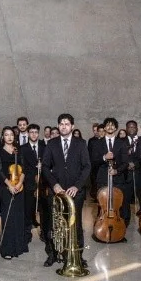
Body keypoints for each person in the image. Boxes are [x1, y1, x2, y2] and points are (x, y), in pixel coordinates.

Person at [42, 113, 91, 267]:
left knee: (75, 225)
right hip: (57, 192)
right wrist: (54, 184)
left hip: (75, 192)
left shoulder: (81, 143)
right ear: (58, 126)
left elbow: (87, 167)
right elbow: (44, 166)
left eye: (67, 124)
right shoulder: (51, 144)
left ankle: (78, 255)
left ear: (72, 126)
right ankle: (53, 254)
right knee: (54, 224)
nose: (64, 126)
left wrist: (77, 186)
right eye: (61, 124)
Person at [90, 117, 132, 232]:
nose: (110, 127)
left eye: (112, 125)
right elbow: (93, 161)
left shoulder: (122, 143)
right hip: (102, 178)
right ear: (104, 127)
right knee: (102, 205)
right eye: (107, 125)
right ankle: (101, 228)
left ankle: (121, 229)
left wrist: (116, 171)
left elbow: (125, 162)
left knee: (121, 205)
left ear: (116, 128)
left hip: (118, 178)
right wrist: (104, 158)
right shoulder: (97, 143)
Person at [0, 127, 27, 259]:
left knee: (18, 216)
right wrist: (9, 185)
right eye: (6, 135)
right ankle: (7, 248)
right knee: (7, 217)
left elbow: (24, 169)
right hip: (5, 188)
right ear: (3, 137)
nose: (9, 137)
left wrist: (19, 184)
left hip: (19, 187)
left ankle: (19, 245)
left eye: (11, 135)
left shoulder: (18, 151)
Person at [19, 123, 45, 233]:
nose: (34, 135)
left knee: (43, 207)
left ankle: (44, 232)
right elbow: (22, 166)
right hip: (29, 181)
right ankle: (27, 231)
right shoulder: (23, 148)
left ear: (38, 134)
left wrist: (42, 165)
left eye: (36, 132)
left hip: (42, 181)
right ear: (28, 133)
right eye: (31, 132)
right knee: (28, 206)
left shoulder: (44, 146)